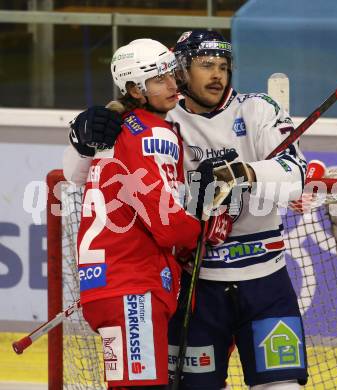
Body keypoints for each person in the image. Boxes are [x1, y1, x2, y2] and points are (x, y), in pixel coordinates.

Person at [64, 31, 308, 390]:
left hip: (264, 279)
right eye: (205, 65)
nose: (217, 75)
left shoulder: (258, 108)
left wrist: (242, 173)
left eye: (223, 66)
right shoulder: (158, 114)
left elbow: (296, 173)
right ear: (179, 70)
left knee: (283, 386)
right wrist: (80, 140)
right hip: (198, 286)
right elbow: (75, 174)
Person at [70, 38, 233, 390]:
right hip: (133, 289)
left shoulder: (119, 128)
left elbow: (78, 177)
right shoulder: (152, 133)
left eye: (172, 74)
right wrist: (206, 225)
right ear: (135, 89)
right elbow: (169, 226)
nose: (174, 85)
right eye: (160, 79)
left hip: (106, 287)